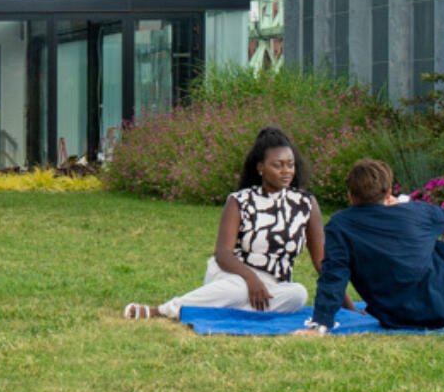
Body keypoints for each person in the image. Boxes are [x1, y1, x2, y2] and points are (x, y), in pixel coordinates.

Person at [121, 127, 323, 321]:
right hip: (232, 275)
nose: (286, 171)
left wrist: (349, 307)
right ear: (261, 167)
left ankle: (219, 311)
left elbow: (322, 262)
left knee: (298, 294)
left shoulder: (306, 204)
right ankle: (162, 311)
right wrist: (251, 280)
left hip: (273, 287)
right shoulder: (240, 201)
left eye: (290, 164)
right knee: (238, 289)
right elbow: (223, 254)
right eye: (277, 165)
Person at [302, 159, 444, 334]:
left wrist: (320, 322)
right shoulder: (416, 212)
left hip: (394, 319)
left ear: (350, 196)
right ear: (388, 193)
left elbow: (333, 275)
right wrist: (402, 211)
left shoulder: (339, 224)